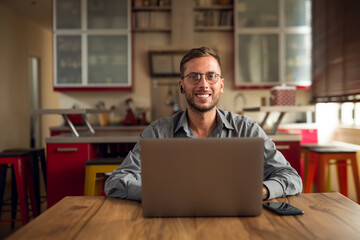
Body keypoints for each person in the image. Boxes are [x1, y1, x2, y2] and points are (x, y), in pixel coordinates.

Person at [105, 47, 303, 201]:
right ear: (182, 85)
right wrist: (160, 194)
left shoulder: (247, 130)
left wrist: (261, 191)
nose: (203, 84)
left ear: (221, 85)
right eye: (194, 76)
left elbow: (290, 177)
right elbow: (116, 182)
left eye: (211, 76)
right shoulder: (158, 132)